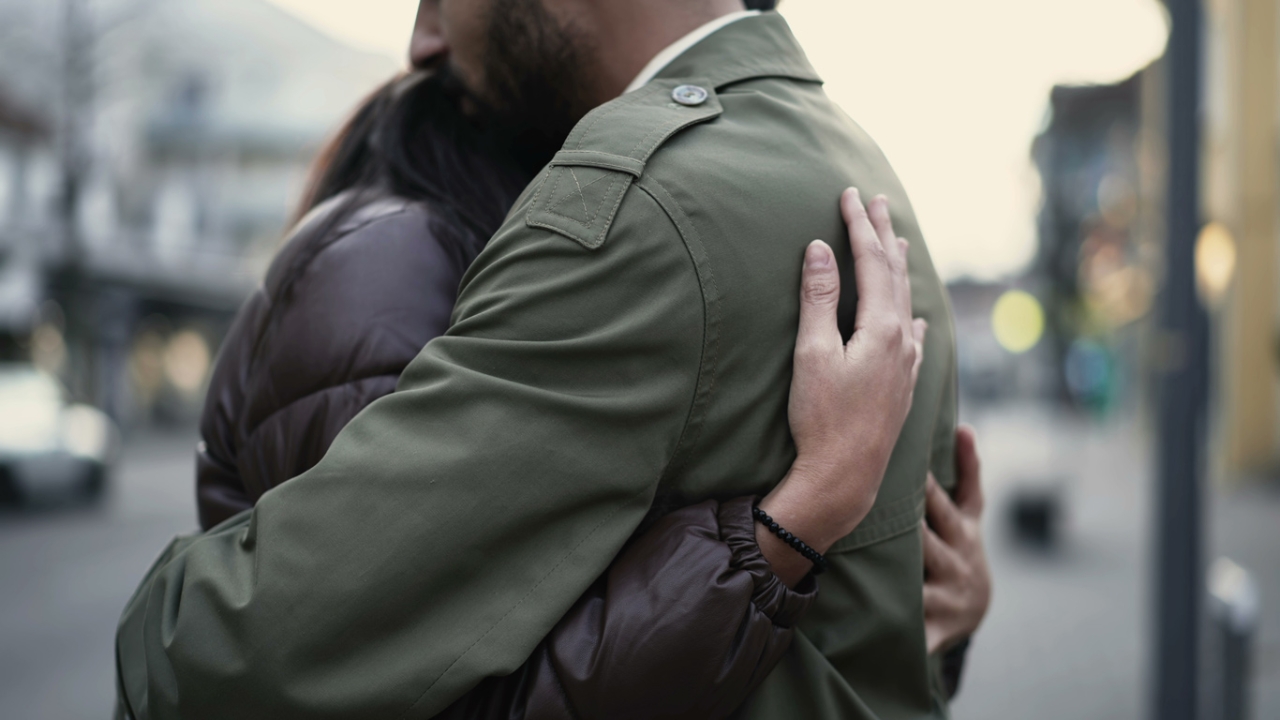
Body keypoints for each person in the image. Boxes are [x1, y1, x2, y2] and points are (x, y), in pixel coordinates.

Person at [117, 2, 989, 717]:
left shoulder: (642, 207)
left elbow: (232, 655)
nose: (421, 38)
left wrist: (160, 610)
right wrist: (794, 541)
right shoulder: (857, 165)